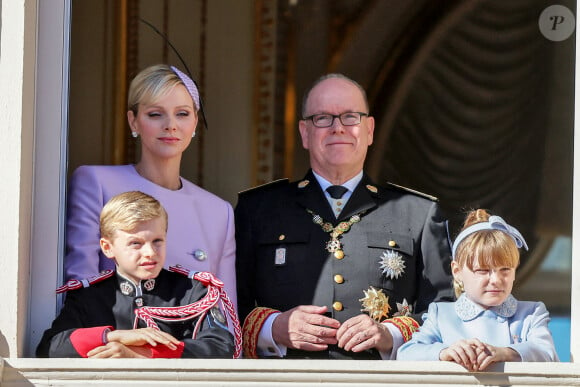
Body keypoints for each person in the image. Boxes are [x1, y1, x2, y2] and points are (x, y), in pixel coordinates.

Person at [235, 73, 454, 359]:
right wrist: (273, 328)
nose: (338, 128)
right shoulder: (258, 209)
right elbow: (225, 306)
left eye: (350, 117)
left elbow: (445, 313)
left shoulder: (418, 213)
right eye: (323, 118)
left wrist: (390, 334)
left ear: (370, 130)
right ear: (304, 132)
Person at [64, 64, 237, 321]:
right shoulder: (96, 182)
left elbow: (226, 313)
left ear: (195, 122)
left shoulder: (217, 211)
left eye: (182, 113)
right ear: (133, 120)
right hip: (115, 348)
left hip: (190, 355)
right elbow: (81, 287)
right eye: (156, 114)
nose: (170, 125)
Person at [37, 191, 240, 358]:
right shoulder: (89, 296)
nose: (150, 252)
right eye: (136, 243)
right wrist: (114, 337)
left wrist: (143, 353)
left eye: (157, 241)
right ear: (107, 247)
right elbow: (50, 348)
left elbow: (221, 347)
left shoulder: (191, 291)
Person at [397, 209, 558, 370]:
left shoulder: (531, 313)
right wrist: (444, 352)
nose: (496, 280)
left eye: (505, 270)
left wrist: (505, 353)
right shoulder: (441, 314)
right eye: (483, 270)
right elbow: (406, 353)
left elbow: (547, 353)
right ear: (457, 271)